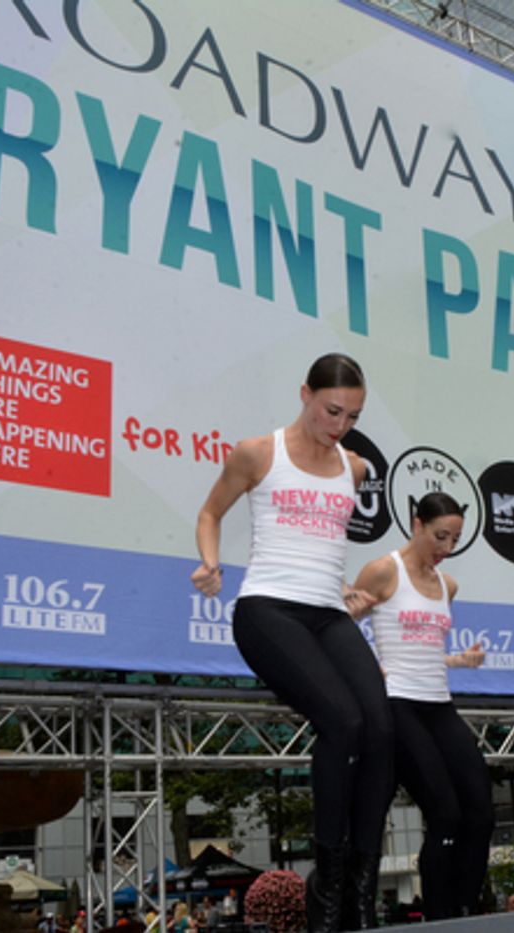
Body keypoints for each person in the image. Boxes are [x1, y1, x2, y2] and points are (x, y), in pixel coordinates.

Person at [192, 354, 392, 931]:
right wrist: (210, 562)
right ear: (305, 394)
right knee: (344, 722)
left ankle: (360, 889)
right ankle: (326, 887)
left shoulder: (355, 468)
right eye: (332, 411)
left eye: (352, 417)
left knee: (382, 732)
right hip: (267, 611)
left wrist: (347, 591)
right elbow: (210, 513)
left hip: (329, 613)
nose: (340, 425)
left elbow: (324, 544)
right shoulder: (258, 453)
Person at [348, 493, 494, 921]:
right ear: (417, 525)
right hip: (399, 704)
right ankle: (440, 918)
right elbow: (337, 627)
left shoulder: (448, 585)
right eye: (440, 536)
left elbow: (424, 651)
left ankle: (466, 910)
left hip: (440, 704)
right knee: (445, 814)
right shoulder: (383, 570)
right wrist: (368, 671)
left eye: (455, 540)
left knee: (481, 814)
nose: (447, 548)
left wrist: (459, 661)